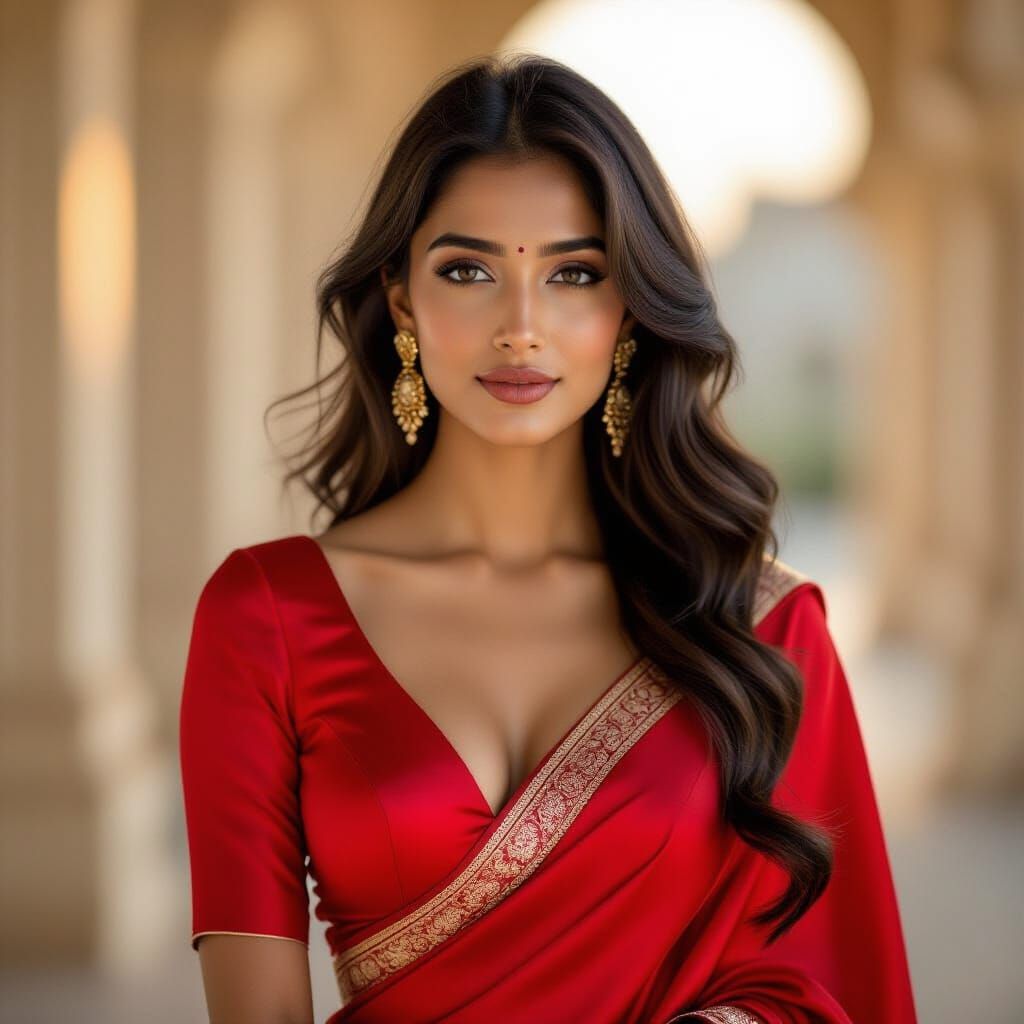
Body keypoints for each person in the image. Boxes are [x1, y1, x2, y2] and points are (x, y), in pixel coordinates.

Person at [179, 53, 918, 1024]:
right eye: (468, 270)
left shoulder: (759, 626)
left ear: (625, 313)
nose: (519, 326)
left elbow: (840, 982)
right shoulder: (265, 615)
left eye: (573, 272)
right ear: (402, 298)